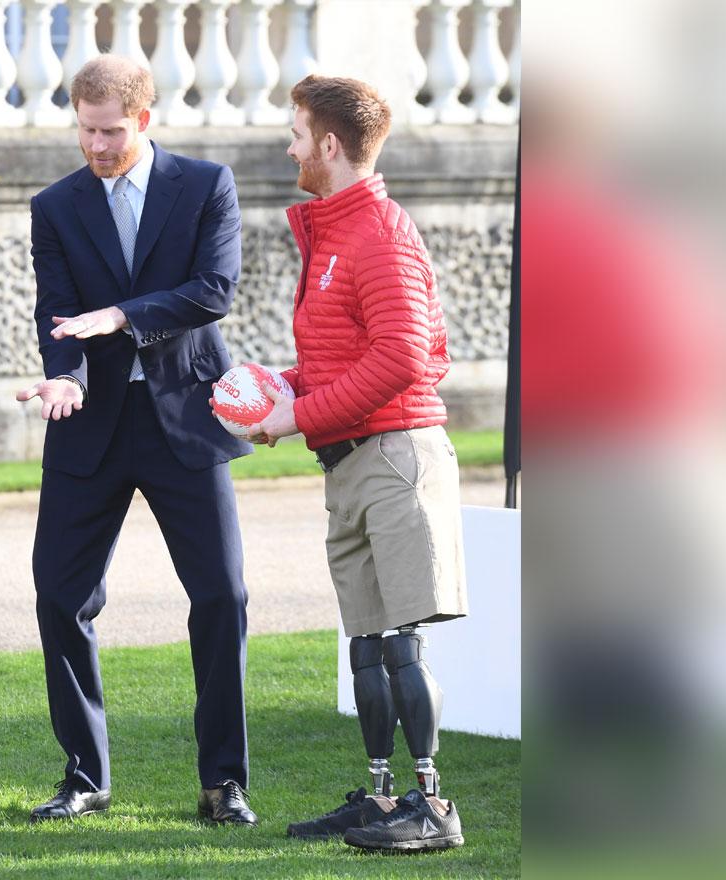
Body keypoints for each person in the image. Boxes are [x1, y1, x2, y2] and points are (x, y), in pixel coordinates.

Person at [15, 55, 257, 826]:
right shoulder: (54, 206)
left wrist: (120, 316)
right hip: (89, 426)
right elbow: (57, 315)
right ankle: (85, 775)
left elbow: (213, 291)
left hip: (183, 417)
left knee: (221, 595)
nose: (96, 145)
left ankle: (224, 783)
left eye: (111, 131)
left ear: (144, 119)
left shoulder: (206, 185)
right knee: (59, 594)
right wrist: (68, 378)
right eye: (85, 130)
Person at [243, 75, 469, 851]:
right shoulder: (334, 232)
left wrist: (296, 414)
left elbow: (407, 357)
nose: (290, 146)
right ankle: (380, 800)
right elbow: (348, 354)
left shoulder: (380, 232)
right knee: (367, 642)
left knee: (402, 640)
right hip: (349, 461)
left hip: (396, 454)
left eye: (298, 134)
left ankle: (433, 808)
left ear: (329, 146)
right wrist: (280, 391)